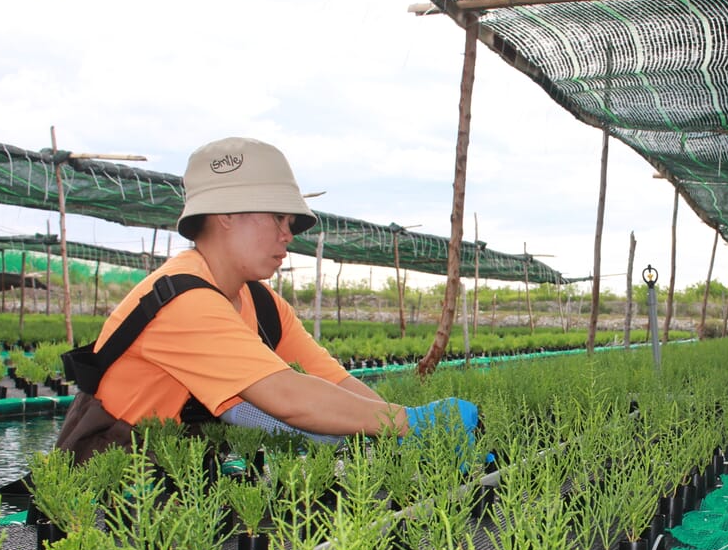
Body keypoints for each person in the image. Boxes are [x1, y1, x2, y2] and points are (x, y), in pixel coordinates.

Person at [54, 136, 476, 461]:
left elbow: (331, 381)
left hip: (175, 470)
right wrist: (410, 422)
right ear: (226, 214)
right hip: (112, 475)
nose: (287, 234)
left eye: (290, 222)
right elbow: (288, 398)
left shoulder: (261, 303)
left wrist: (413, 433)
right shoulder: (183, 301)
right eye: (277, 217)